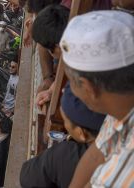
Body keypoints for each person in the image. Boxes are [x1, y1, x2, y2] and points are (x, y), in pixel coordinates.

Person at [58, 11, 134, 187]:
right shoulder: (121, 106)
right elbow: (96, 153)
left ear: (88, 88)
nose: (68, 89)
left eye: (70, 82)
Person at [20, 84, 105, 188]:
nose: (65, 124)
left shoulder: (64, 155)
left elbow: (27, 176)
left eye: (65, 121)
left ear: (81, 133)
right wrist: (52, 91)